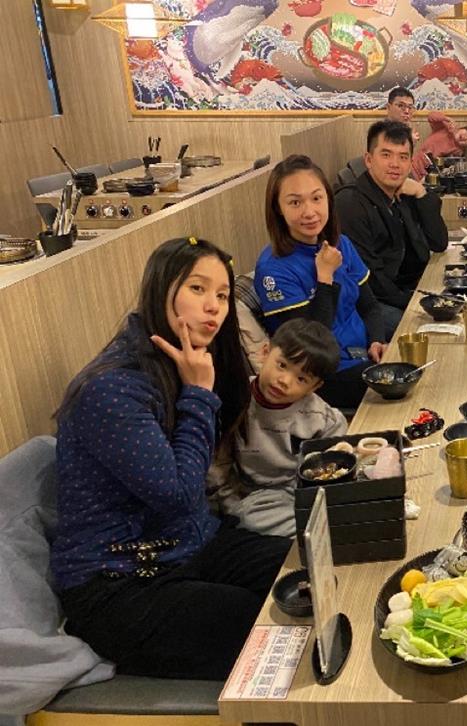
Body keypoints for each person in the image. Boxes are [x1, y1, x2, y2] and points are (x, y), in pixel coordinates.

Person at [50, 237, 291, 680]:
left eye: (222, 295)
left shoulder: (176, 362)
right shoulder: (111, 389)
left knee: (300, 567)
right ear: (161, 288)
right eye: (198, 289)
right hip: (117, 581)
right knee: (264, 624)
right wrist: (198, 393)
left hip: (187, 543)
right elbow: (178, 495)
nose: (214, 306)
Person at [255, 154, 386, 410]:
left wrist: (377, 341)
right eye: (295, 202)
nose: (310, 212)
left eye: (317, 198)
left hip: (363, 355)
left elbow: (370, 306)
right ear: (278, 209)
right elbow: (310, 346)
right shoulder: (273, 269)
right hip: (322, 376)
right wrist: (324, 277)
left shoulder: (340, 243)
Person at [219, 318, 347, 538]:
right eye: (282, 365)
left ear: (315, 386)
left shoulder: (321, 417)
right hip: (255, 496)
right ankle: (318, 529)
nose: (285, 381)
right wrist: (230, 504)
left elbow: (330, 465)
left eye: (301, 379)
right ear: (265, 352)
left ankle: (317, 527)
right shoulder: (235, 400)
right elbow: (218, 469)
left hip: (302, 490)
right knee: (247, 518)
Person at [334, 121, 448, 336]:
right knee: (435, 333)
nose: (395, 164)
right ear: (369, 160)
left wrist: (421, 193)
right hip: (370, 304)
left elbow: (438, 242)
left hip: (403, 289)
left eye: (403, 157)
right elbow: (371, 280)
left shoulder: (400, 192)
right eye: (386, 155)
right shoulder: (350, 203)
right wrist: (415, 303)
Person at [412, 112, 467, 180]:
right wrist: (447, 119)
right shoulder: (445, 128)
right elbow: (431, 116)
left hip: (426, 175)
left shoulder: (457, 150)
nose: (464, 138)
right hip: (414, 164)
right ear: (463, 128)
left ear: (465, 147)